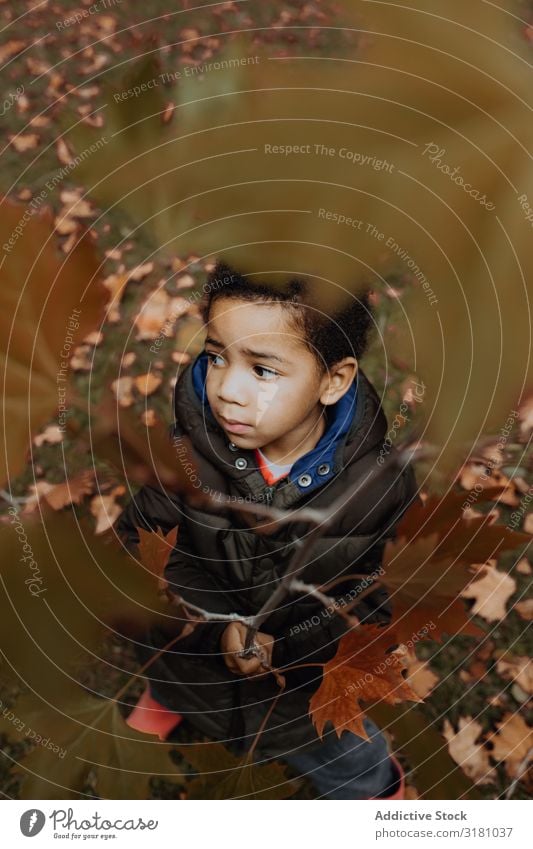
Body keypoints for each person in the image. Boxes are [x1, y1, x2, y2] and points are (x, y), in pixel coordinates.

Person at [115, 259, 420, 799]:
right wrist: (216, 628)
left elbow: (375, 600)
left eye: (262, 370)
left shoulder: (380, 487)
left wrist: (293, 646)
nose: (227, 389)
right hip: (193, 659)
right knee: (176, 680)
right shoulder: (186, 451)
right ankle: (163, 700)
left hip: (299, 698)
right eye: (216, 357)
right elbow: (144, 547)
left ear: (333, 380)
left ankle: (381, 798)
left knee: (349, 762)